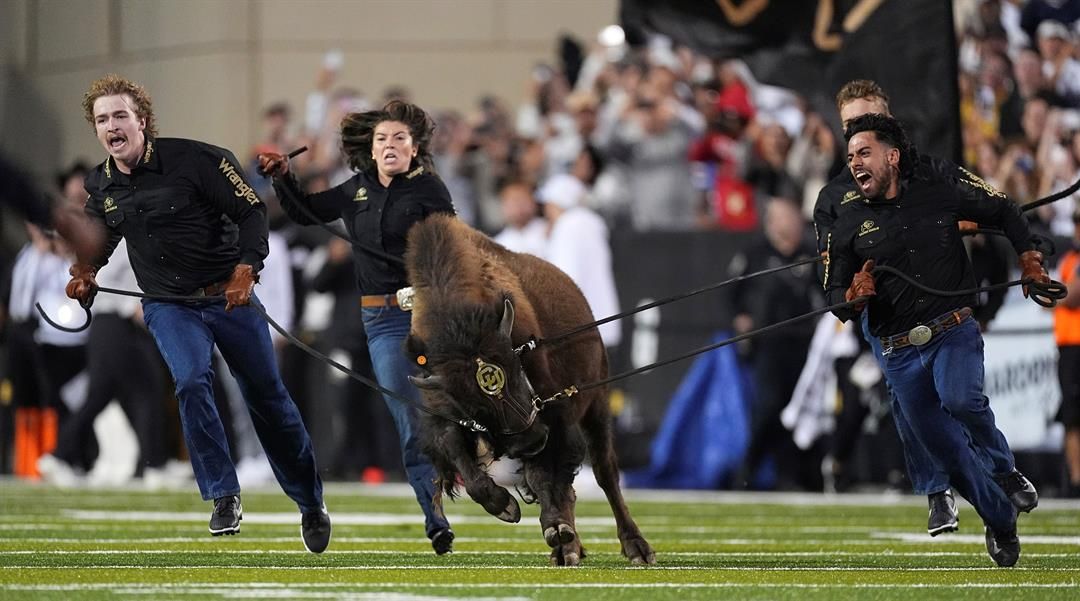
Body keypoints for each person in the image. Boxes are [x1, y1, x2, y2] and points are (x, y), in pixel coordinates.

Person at [63, 74, 330, 553]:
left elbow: (252, 213)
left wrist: (248, 268)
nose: (111, 125)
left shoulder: (200, 160)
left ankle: (310, 501)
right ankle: (223, 494)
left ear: (142, 120)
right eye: (102, 119)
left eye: (120, 115)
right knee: (190, 378)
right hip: (169, 304)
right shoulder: (99, 183)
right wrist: (86, 269)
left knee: (268, 398)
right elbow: (102, 234)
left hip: (228, 295)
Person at [813, 79, 1034, 536]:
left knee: (960, 399)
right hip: (885, 316)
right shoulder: (836, 201)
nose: (858, 135)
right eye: (851, 126)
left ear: (888, 122)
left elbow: (993, 203)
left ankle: (996, 475)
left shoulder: (932, 172)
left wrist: (968, 224)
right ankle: (937, 490)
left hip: (943, 305)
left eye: (868, 121)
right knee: (908, 399)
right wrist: (851, 293)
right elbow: (831, 272)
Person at [257, 100, 457, 555]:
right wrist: (282, 177)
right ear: (370, 147)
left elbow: (451, 247)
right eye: (382, 138)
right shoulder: (356, 190)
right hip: (381, 321)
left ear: (415, 147)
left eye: (399, 139)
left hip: (427, 311)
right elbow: (306, 212)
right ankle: (434, 515)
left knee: (453, 398)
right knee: (408, 412)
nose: (390, 146)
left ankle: (484, 470)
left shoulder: (430, 189)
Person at [1053, 210, 1080, 498]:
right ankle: (1075, 481)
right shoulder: (1069, 260)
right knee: (1071, 416)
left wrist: (1052, 294)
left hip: (1077, 343)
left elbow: (1072, 295)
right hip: (1069, 344)